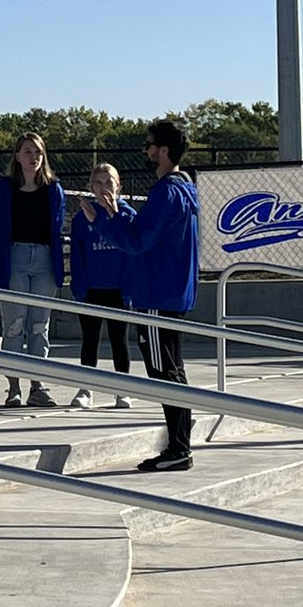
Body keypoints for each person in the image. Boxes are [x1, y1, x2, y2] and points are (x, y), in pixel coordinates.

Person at [80, 120, 199, 472]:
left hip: (158, 295)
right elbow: (147, 234)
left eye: (149, 145)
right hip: (170, 292)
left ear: (163, 150)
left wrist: (101, 220)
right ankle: (179, 443)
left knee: (165, 372)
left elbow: (136, 242)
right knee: (172, 369)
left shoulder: (166, 192)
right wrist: (116, 214)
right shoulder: (185, 188)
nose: (146, 150)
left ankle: (179, 448)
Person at [0, 132, 66, 408]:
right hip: (15, 258)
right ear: (17, 156)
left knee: (39, 326)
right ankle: (14, 387)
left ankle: (38, 385)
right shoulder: (4, 189)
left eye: (38, 152)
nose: (33, 157)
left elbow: (57, 228)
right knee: (14, 325)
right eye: (28, 152)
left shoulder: (53, 189)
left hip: (44, 260)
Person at [69, 163, 136, 410]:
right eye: (98, 183)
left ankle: (123, 389)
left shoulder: (128, 216)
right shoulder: (83, 217)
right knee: (90, 340)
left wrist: (130, 288)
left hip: (119, 289)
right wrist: (79, 286)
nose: (103, 188)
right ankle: (86, 388)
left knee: (120, 340)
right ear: (90, 187)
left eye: (109, 182)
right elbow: (77, 253)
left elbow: (134, 251)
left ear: (118, 186)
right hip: (92, 289)